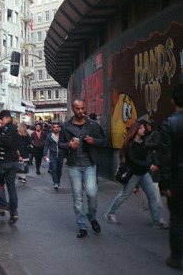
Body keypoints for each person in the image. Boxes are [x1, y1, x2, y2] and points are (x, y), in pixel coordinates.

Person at [104, 121, 168, 227]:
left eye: (143, 128)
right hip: (133, 174)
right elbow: (133, 160)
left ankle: (157, 220)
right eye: (142, 128)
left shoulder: (143, 142)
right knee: (124, 195)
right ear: (136, 130)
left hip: (143, 174)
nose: (144, 130)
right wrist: (149, 166)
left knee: (152, 196)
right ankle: (110, 213)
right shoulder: (130, 144)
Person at [59, 99, 106, 238]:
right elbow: (60, 144)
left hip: (89, 164)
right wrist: (68, 145)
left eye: (82, 108)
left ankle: (91, 217)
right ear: (73, 109)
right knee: (77, 197)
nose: (81, 111)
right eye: (78, 108)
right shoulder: (66, 125)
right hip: (74, 165)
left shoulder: (93, 125)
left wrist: (93, 141)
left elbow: (103, 141)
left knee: (92, 193)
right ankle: (82, 225)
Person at [159, 84, 183, 270]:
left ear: (173, 101)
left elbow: (166, 157)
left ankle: (176, 258)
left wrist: (164, 183)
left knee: (176, 219)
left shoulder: (169, 124)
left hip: (177, 179)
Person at [0, 110, 19, 224]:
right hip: (13, 162)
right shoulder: (12, 128)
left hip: (4, 162)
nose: (1, 122)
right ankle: (14, 212)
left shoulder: (9, 129)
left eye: (2, 120)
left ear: (7, 118)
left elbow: (8, 141)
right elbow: (2, 130)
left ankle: (3, 204)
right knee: (11, 187)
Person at [43, 122, 66, 190]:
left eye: (57, 127)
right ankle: (55, 183)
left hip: (61, 154)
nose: (56, 128)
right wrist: (45, 155)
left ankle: (58, 182)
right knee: (54, 168)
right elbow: (46, 145)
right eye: (54, 127)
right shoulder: (49, 136)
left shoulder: (62, 135)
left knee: (59, 169)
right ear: (52, 128)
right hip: (52, 154)